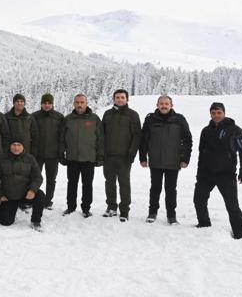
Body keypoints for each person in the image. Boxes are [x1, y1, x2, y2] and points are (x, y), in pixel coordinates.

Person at [193, 102, 242, 239]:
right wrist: (200, 173)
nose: (216, 115)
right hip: (206, 173)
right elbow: (202, 152)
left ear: (224, 113)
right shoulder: (206, 131)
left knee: (232, 205)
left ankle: (239, 234)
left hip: (226, 174)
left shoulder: (235, 130)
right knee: (199, 199)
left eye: (219, 113)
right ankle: (204, 224)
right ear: (210, 114)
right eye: (213, 113)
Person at [139, 95, 193, 224]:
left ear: (171, 105)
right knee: (155, 188)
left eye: (166, 104)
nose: (164, 106)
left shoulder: (179, 119)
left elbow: (187, 140)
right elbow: (143, 140)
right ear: (157, 105)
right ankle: (152, 213)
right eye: (161, 103)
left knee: (171, 189)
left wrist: (185, 158)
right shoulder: (150, 119)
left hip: (173, 161)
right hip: (155, 160)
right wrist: (142, 157)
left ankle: (171, 215)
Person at [60, 94, 104, 218]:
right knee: (71, 184)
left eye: (82, 102)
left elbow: (101, 139)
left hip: (88, 158)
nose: (79, 105)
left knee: (87, 185)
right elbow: (62, 138)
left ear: (86, 103)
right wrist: (61, 153)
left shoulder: (94, 119)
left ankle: (86, 208)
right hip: (72, 158)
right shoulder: (68, 119)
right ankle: (70, 207)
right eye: (77, 102)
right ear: (74, 103)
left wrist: (100, 156)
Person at [101, 89, 141, 221]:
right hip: (109, 155)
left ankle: (124, 210)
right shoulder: (107, 114)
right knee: (109, 182)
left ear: (127, 99)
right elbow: (102, 135)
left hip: (124, 156)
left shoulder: (133, 115)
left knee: (124, 183)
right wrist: (102, 153)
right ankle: (111, 207)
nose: (120, 99)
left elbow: (137, 136)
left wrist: (132, 153)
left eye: (122, 97)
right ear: (114, 99)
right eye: (117, 97)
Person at [0, 136, 45, 231]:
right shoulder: (2, 159)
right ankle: (12, 208)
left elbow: (38, 177)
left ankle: (35, 221)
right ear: (10, 146)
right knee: (5, 222)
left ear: (23, 146)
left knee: (40, 195)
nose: (16, 147)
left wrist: (32, 190)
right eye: (14, 145)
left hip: (25, 194)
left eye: (19, 145)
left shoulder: (30, 159)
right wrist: (0, 195)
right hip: (9, 196)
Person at [32, 93, 64, 210]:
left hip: (53, 155)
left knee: (51, 179)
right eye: (44, 103)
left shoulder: (59, 117)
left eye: (49, 103)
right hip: (37, 154)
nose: (46, 105)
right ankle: (33, 198)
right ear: (41, 103)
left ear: (52, 104)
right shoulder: (34, 116)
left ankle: (48, 200)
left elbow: (62, 136)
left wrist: (60, 152)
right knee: (35, 178)